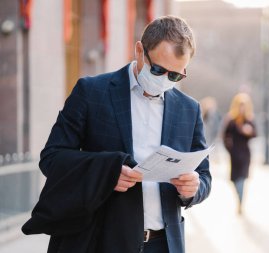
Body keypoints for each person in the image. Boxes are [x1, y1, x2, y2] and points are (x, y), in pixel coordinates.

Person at [22, 16, 212, 253]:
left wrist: (194, 189)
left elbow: (204, 175)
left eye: (175, 76)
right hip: (100, 240)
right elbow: (51, 158)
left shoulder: (189, 109)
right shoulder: (91, 92)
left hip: (164, 244)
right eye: (158, 70)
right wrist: (106, 172)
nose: (165, 80)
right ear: (139, 50)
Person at [222, 93, 257, 215]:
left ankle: (240, 204)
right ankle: (239, 198)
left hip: (245, 155)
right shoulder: (231, 120)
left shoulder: (249, 119)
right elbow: (225, 136)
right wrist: (230, 149)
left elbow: (255, 134)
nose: (242, 109)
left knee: (242, 179)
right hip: (234, 155)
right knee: (234, 180)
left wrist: (249, 131)